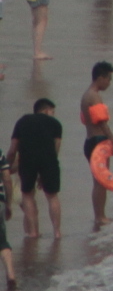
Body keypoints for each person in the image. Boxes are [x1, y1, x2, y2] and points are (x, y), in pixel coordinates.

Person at [7, 101, 63, 241]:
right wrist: (45, 172)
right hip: (48, 160)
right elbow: (56, 149)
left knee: (27, 195)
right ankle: (57, 232)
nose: (53, 114)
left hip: (27, 160)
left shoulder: (22, 121)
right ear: (45, 110)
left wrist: (6, 167)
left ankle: (33, 232)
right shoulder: (56, 124)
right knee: (52, 196)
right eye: (52, 111)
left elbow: (13, 148)